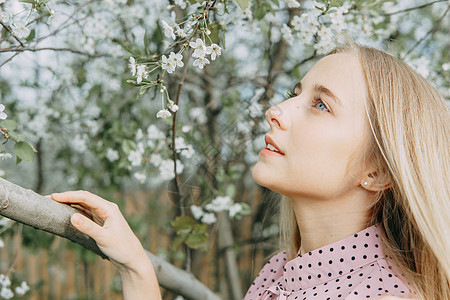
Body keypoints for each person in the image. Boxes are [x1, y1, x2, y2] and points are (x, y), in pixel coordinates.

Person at [48, 41, 450, 299]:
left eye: (321, 104)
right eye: (298, 94)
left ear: (377, 172)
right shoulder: (280, 272)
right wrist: (136, 266)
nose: (276, 111)